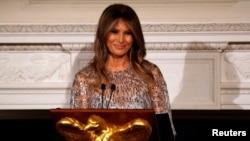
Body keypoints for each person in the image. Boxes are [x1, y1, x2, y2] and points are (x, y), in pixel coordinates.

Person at [70, 3, 176, 140]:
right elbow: (78, 135)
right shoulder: (84, 78)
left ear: (135, 37)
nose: (121, 40)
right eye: (114, 31)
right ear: (103, 33)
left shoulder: (150, 73)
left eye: (128, 33)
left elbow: (166, 131)